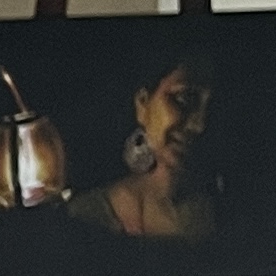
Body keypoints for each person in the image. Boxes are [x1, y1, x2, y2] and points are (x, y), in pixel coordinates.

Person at [70, 53, 217, 243]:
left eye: (215, 106)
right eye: (184, 98)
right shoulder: (86, 216)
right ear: (143, 103)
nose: (199, 125)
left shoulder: (235, 218)